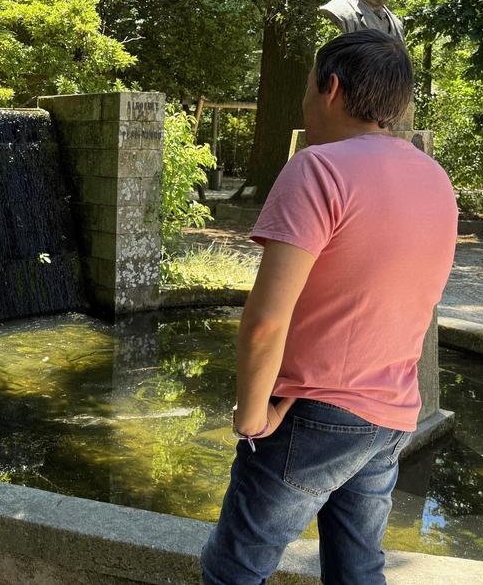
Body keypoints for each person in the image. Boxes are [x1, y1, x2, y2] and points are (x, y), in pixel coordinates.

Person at [199, 29, 457, 584]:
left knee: (233, 569)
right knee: (357, 569)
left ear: (331, 88)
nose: (304, 103)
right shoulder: (436, 179)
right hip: (390, 415)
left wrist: (249, 417)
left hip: (311, 411)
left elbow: (266, 319)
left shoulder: (317, 168)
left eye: (308, 89)